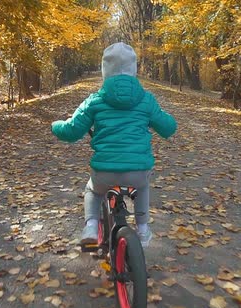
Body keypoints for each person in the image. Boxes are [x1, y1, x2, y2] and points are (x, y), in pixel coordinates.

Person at [51, 42, 177, 248]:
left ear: (104, 70)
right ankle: (143, 230)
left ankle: (91, 225)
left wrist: (55, 125)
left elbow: (71, 131)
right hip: (138, 170)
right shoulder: (146, 99)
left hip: (105, 172)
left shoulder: (95, 100)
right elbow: (168, 128)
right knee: (143, 187)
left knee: (93, 190)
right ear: (134, 69)